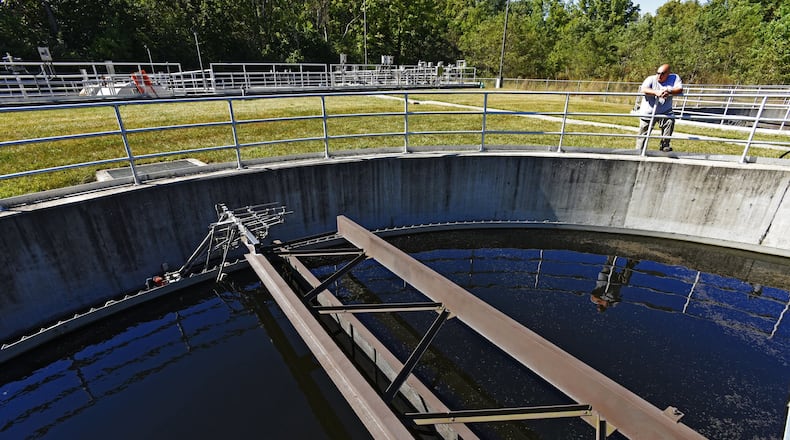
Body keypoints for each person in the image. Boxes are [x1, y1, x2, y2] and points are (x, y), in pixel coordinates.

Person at [635, 64, 683, 152]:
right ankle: (639, 151)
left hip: (665, 111)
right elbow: (644, 89)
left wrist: (669, 91)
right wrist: (656, 92)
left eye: (662, 74)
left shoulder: (674, 78)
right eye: (658, 73)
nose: (659, 76)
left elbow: (680, 89)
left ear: (668, 74)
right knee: (643, 132)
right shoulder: (650, 79)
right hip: (648, 111)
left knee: (669, 121)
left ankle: (664, 146)